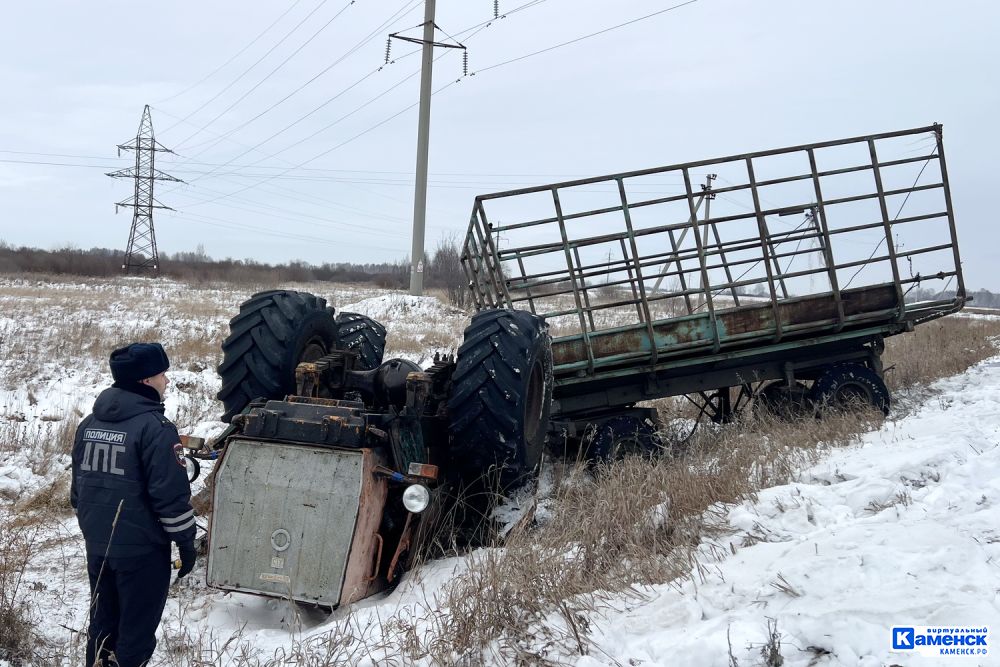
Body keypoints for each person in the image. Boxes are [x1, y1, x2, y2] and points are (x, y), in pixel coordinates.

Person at [70, 342, 197, 667]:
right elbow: (170, 499)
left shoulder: (88, 424)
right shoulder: (157, 429)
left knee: (102, 627)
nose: (167, 381)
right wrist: (186, 543)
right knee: (135, 636)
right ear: (145, 381)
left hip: (97, 547)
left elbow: (77, 493)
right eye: (162, 374)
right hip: (142, 553)